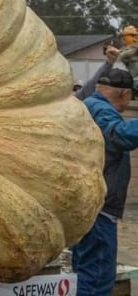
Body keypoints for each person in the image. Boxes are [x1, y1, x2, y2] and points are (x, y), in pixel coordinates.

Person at [72, 67, 138, 296]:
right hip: (100, 209)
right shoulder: (100, 109)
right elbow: (119, 134)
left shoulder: (87, 105)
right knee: (97, 277)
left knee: (84, 272)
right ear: (125, 95)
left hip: (86, 206)